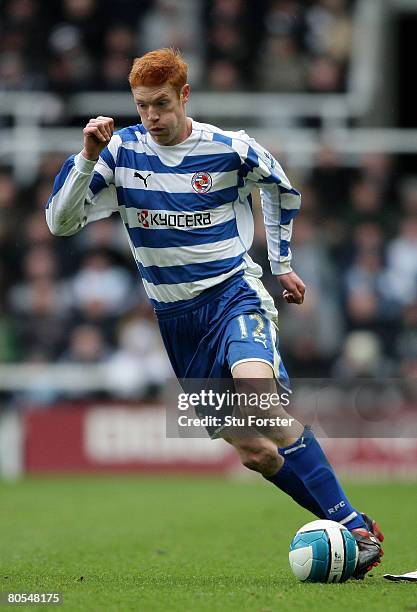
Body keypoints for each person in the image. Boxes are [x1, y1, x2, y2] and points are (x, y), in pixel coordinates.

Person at [46, 47, 383, 578]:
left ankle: (354, 528)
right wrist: (87, 156)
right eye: (141, 106)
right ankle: (353, 526)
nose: (151, 118)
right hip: (176, 322)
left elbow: (279, 187)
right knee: (255, 451)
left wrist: (281, 263)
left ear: (184, 96)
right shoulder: (118, 153)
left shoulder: (230, 149)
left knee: (261, 404)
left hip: (233, 297)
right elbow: (60, 224)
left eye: (161, 104)